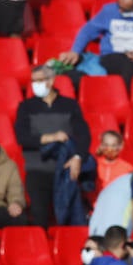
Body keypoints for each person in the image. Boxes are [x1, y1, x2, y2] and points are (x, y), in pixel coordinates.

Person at [15, 64, 92, 227]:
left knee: (69, 217)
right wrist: (51, 137)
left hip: (65, 170)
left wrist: (78, 157)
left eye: (39, 80)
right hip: (37, 170)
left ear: (50, 81)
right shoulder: (26, 107)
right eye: (33, 81)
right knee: (39, 216)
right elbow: (22, 137)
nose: (35, 85)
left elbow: (83, 135)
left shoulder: (70, 105)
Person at [62, 0, 133, 90]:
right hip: (113, 55)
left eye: (125, 9)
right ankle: (121, 95)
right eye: (119, 6)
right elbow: (87, 31)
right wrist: (75, 51)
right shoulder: (109, 11)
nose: (120, 10)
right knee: (126, 65)